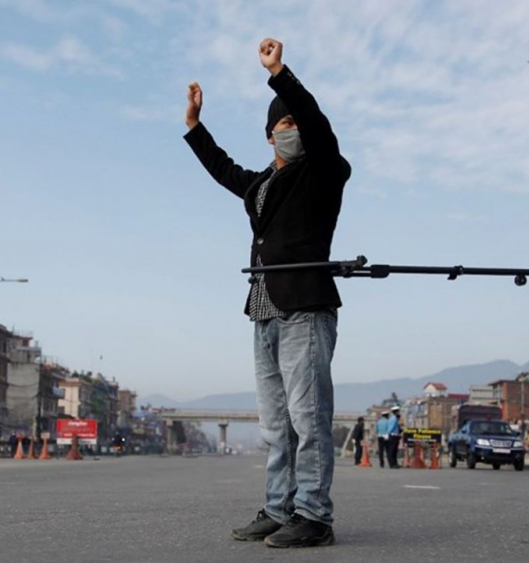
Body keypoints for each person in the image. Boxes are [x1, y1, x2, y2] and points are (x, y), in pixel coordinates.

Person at [184, 38, 350, 549]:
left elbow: (315, 123)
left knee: (308, 417)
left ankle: (314, 516)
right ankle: (279, 509)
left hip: (305, 306)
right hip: (264, 309)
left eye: (296, 124)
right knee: (276, 424)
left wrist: (279, 73)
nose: (292, 131)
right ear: (270, 136)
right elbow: (223, 169)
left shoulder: (323, 171)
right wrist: (194, 126)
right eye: (283, 126)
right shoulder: (261, 185)